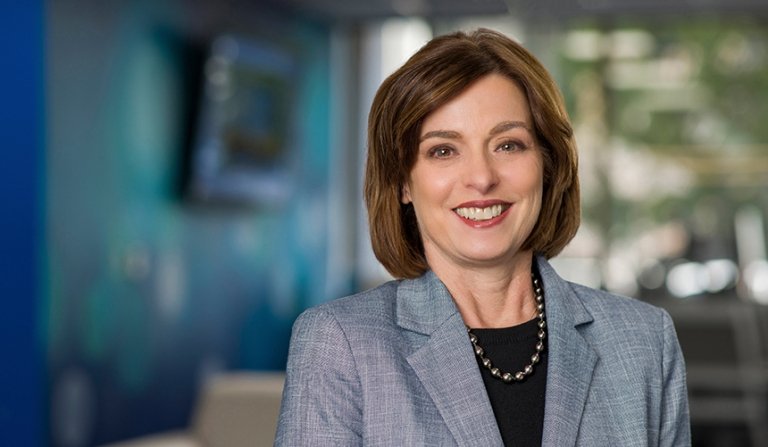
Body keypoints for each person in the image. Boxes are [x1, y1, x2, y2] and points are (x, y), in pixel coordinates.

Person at [274, 28, 690, 446]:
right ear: (402, 181)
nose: (481, 178)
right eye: (443, 150)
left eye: (508, 145)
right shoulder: (341, 343)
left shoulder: (643, 340)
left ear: (547, 164)